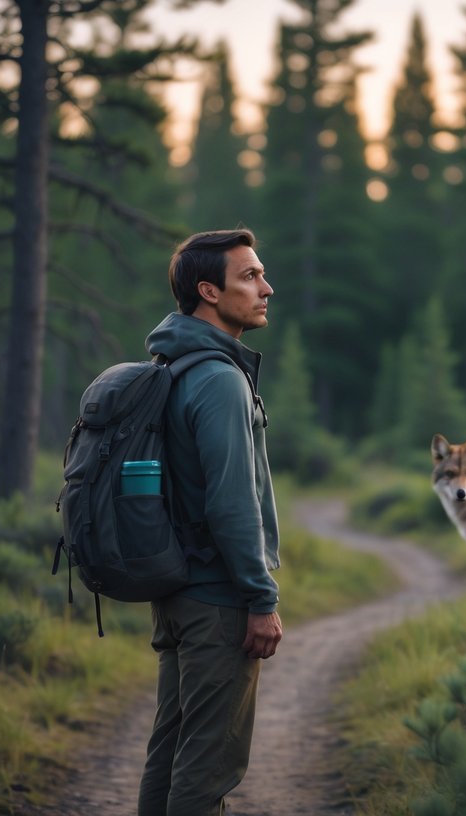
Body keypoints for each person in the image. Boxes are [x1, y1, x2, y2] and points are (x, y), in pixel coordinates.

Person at [137, 228, 283, 816]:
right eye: (249, 277)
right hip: (218, 600)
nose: (265, 288)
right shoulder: (220, 380)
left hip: (176, 594)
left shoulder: (172, 367)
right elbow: (231, 504)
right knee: (206, 767)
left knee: (170, 751)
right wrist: (259, 596)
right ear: (208, 291)